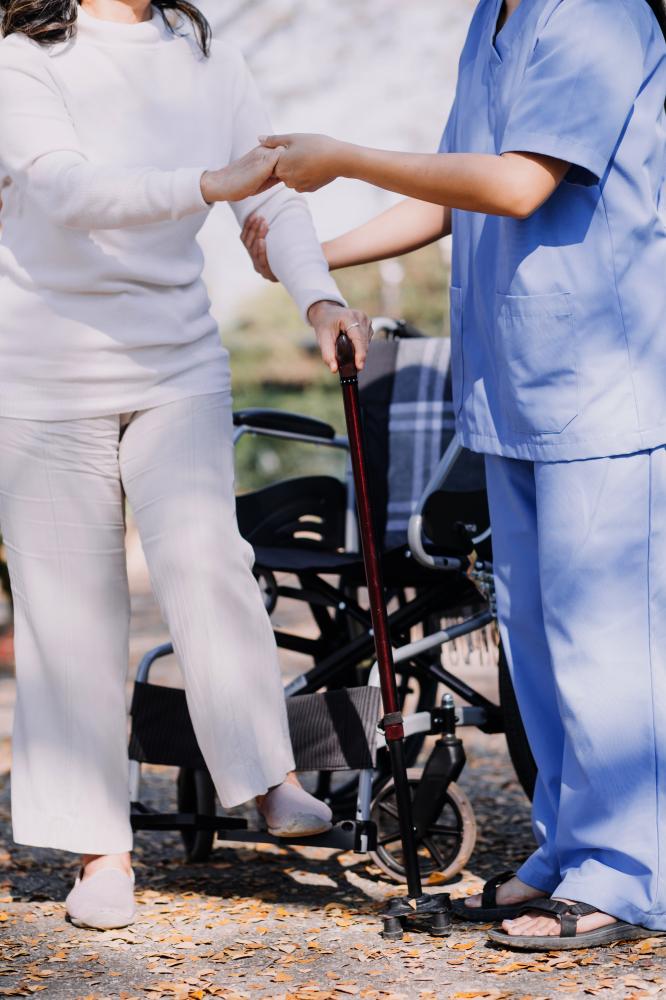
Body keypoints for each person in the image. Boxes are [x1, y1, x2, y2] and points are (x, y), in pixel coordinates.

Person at [242, 0, 666, 951]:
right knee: (543, 653)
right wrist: (314, 259)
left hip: (604, 385)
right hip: (515, 391)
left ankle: (628, 879)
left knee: (607, 650)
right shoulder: (492, 19)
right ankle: (567, 854)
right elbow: (448, 196)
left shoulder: (597, 13)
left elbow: (518, 186)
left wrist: (343, 156)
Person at [0, 0, 372, 931]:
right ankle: (101, 852)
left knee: (210, 559)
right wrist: (213, 180)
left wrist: (320, 301)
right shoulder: (23, 58)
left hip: (178, 359)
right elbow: (64, 190)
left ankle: (267, 777)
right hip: (45, 371)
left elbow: (273, 194)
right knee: (69, 612)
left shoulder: (205, 54)